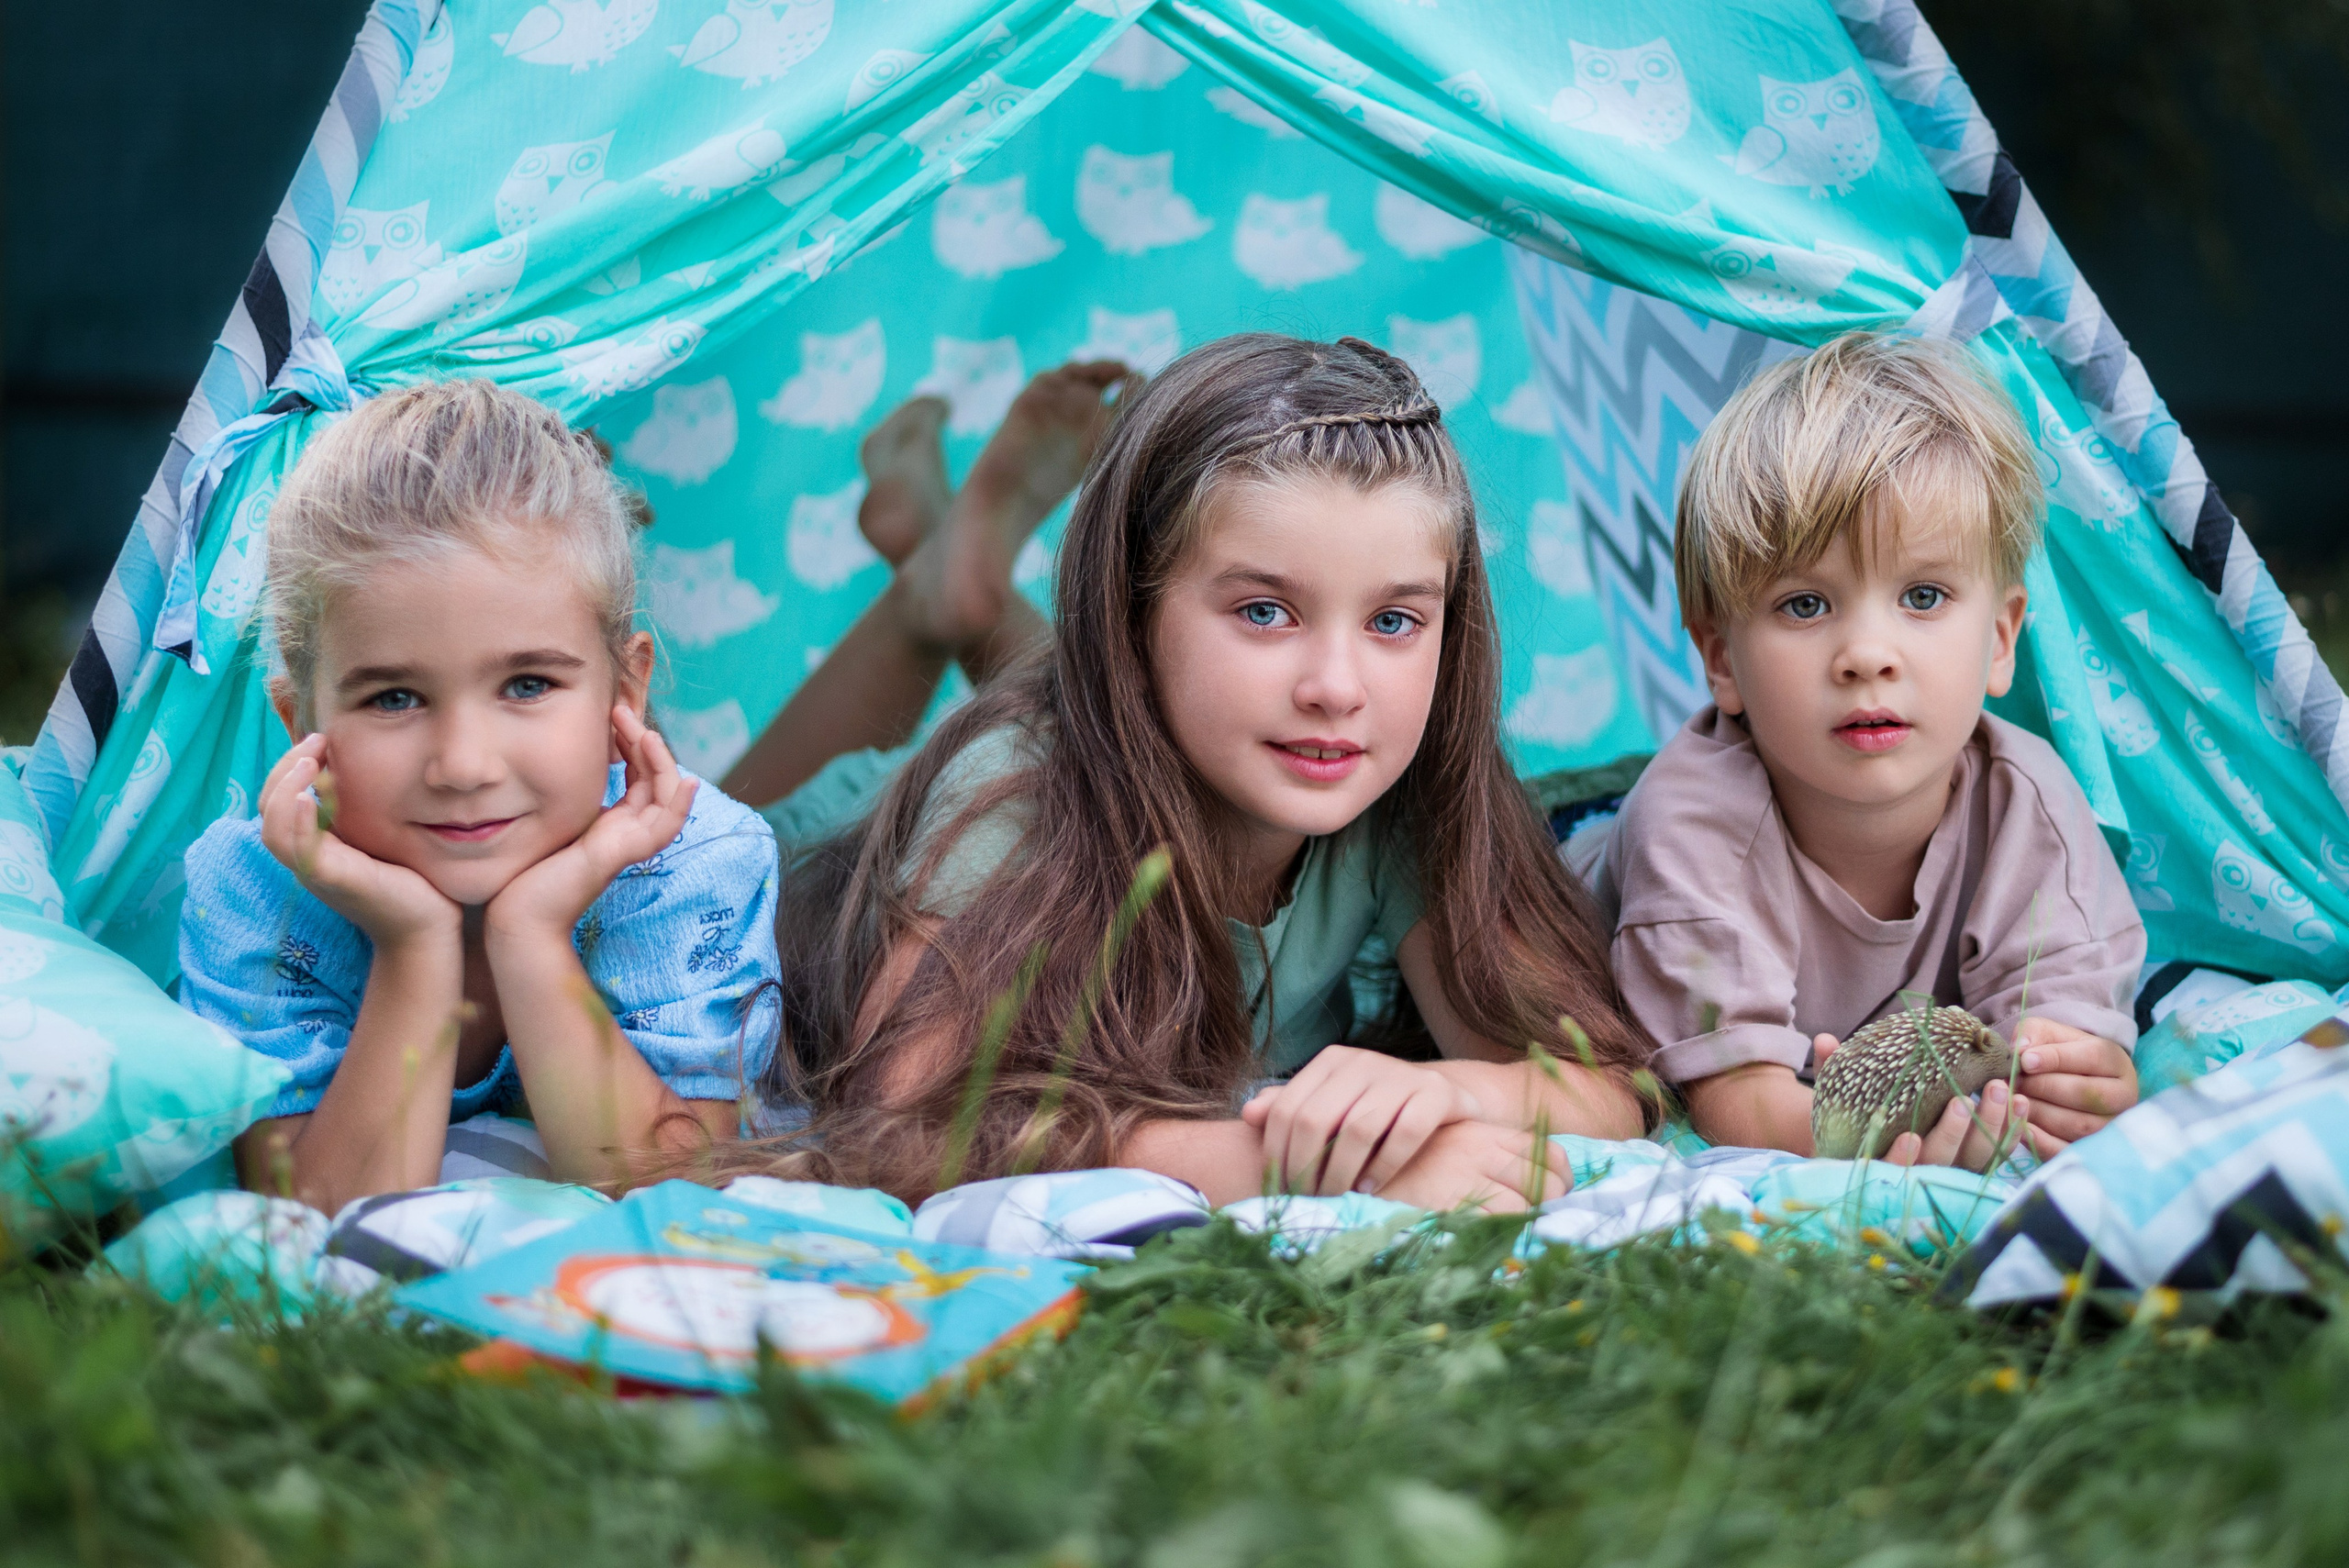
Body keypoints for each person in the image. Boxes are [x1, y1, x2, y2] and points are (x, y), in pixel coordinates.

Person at [729, 333, 1656, 1209]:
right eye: (1264, 611)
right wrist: (1303, 1167)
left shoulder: (1397, 779)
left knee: (1131, 715)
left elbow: (1609, 1088)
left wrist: (1449, 1096)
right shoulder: (1003, 792)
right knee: (710, 812)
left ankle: (953, 581)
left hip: (1101, 729)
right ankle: (946, 590)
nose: (1337, 689)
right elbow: (905, 1127)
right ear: (1124, 611)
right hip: (815, 845)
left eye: (1392, 621)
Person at [180, 380, 782, 1216]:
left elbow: (675, 1198)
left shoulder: (693, 861)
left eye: (527, 683)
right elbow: (321, 1217)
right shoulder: (257, 890)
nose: (463, 765)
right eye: (394, 698)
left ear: (627, 690)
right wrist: (414, 942)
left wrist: (531, 934)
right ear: (301, 722)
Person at [1601, 331, 2144, 1167]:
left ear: (2001, 641)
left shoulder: (2027, 804)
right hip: (1586, 900)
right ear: (1721, 659)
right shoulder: (1693, 822)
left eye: (1922, 595)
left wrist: (2075, 1084)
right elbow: (1734, 1101)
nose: (1867, 654)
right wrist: (1887, 1147)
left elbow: (2062, 1044)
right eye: (1806, 604)